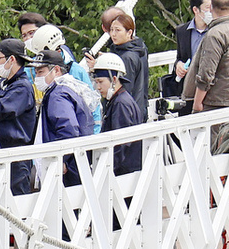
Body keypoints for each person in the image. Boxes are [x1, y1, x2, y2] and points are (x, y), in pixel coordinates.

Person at [0, 38, 37, 195]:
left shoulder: (22, 86)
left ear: (11, 59)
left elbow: (0, 111)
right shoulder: (4, 83)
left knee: (16, 202)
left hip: (16, 154)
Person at [32, 50, 95, 187]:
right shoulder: (67, 88)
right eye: (36, 73)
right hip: (78, 162)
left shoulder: (58, 94)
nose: (37, 77)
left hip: (68, 168)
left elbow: (69, 129)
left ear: (56, 70)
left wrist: (61, 159)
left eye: (41, 72)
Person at [25, 23, 102, 133]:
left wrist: (94, 136)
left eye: (41, 71)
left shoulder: (76, 72)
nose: (38, 74)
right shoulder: (32, 70)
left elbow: (92, 108)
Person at [92, 53, 142, 175]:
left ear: (114, 79)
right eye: (96, 82)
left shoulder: (120, 103)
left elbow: (120, 144)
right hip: (128, 168)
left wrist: (106, 170)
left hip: (124, 172)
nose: (98, 87)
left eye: (100, 81)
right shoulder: (122, 99)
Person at [169, 0, 214, 98]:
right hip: (188, 88)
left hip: (211, 90)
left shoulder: (216, 30)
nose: (212, 11)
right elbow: (180, 57)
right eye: (208, 8)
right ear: (196, 10)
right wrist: (178, 65)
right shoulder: (182, 31)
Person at [106, 13, 151, 119]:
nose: (113, 34)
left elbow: (124, 88)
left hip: (127, 112)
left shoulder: (127, 57)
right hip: (138, 106)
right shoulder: (140, 48)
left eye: (118, 30)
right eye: (111, 30)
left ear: (129, 32)